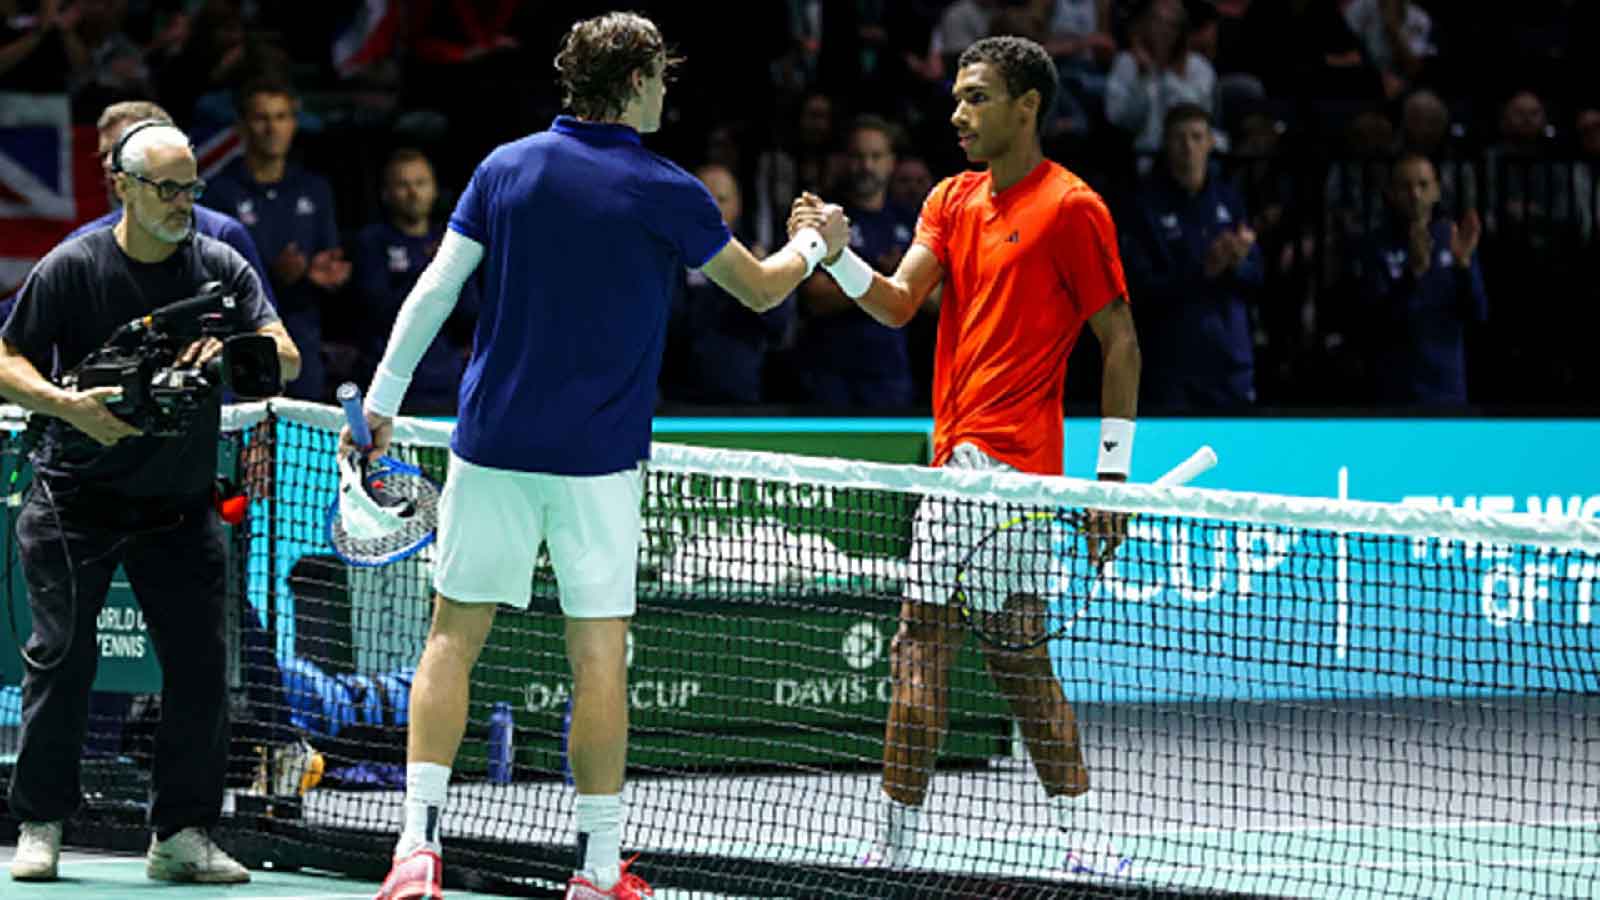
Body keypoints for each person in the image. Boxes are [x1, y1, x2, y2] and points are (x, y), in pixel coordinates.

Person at [349, 13, 848, 900]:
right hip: (597, 464)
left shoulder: (505, 168)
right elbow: (766, 292)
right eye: (660, 76)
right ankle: (594, 870)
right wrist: (819, 244)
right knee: (598, 659)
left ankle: (414, 850)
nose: (667, 91)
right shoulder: (666, 188)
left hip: (491, 448)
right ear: (633, 82)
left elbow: (434, 289)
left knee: (451, 642)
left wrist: (382, 401)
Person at [795, 35, 1140, 876]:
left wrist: (1113, 479)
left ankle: (895, 847)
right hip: (958, 462)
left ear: (1028, 106)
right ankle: (1084, 840)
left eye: (977, 97)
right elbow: (900, 302)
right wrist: (839, 256)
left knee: (925, 647)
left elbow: (1119, 341)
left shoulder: (1073, 208)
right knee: (1015, 664)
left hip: (1009, 470)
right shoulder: (950, 199)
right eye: (956, 96)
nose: (957, 112)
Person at [0, 120, 300, 883]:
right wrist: (69, 408)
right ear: (125, 188)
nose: (182, 201)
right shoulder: (75, 267)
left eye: (191, 186)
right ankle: (40, 824)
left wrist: (234, 352)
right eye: (165, 187)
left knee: (202, 669)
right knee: (62, 660)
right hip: (76, 497)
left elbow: (285, 353)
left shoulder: (220, 266)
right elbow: (6, 357)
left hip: (179, 503)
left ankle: (182, 837)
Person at [0, 100, 275, 322]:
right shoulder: (82, 244)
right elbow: (18, 314)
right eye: (104, 153)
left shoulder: (222, 235)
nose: (109, 163)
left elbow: (265, 333)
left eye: (122, 150)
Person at [205, 76, 351, 402]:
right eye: (262, 118)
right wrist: (274, 275)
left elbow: (329, 259)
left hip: (302, 336)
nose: (272, 128)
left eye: (281, 117)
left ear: (294, 124)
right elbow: (213, 277)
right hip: (242, 339)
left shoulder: (316, 189)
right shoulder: (218, 193)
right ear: (241, 127)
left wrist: (328, 275)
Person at [1119, 103, 1261, 410]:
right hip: (1174, 364)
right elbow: (1140, 288)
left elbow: (1257, 275)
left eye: (1197, 137)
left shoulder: (1229, 200)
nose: (1188, 148)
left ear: (1211, 143)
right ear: (1166, 145)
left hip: (1229, 361)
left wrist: (1237, 263)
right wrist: (1203, 269)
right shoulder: (1144, 208)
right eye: (1179, 138)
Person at [792, 115, 920, 408]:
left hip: (891, 377)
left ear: (891, 162)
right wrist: (888, 279)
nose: (867, 166)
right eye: (858, 156)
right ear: (843, 160)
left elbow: (937, 297)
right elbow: (815, 296)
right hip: (829, 376)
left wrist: (854, 278)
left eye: (876, 156)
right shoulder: (824, 218)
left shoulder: (912, 222)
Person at [349, 148, 478, 415]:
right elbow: (377, 311)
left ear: (434, 189)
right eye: (403, 185)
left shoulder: (450, 243)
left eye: (420, 183)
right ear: (386, 193)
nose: (413, 192)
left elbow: (470, 313)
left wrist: (450, 270)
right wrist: (432, 271)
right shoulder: (370, 242)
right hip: (389, 388)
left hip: (445, 383)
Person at [1358, 153, 1486, 406]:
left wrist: (1462, 267)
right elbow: (1375, 321)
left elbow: (1477, 314)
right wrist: (1413, 273)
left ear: (1437, 190)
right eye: (1405, 186)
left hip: (1446, 391)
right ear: (1391, 193)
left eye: (1423, 185)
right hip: (1395, 391)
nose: (1415, 194)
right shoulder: (1375, 245)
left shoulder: (1454, 239)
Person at [662, 163, 795, 404]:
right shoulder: (668, 257)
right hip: (676, 397)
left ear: (738, 205)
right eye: (704, 198)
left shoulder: (757, 260)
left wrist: (755, 276)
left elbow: (780, 324)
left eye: (721, 199)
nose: (712, 208)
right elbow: (668, 326)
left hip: (741, 395)